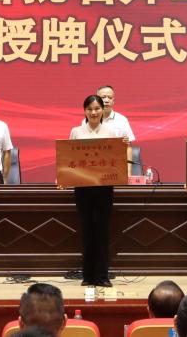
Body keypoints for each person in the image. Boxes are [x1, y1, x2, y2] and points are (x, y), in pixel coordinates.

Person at [68, 94, 121, 287]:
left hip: (104, 188)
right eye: (89, 109)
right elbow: (69, 159)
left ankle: (102, 275)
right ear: (84, 111)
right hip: (83, 188)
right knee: (87, 230)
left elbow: (116, 160)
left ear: (102, 110)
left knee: (102, 231)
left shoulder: (111, 132)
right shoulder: (76, 131)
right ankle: (88, 275)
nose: (93, 112)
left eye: (97, 108)